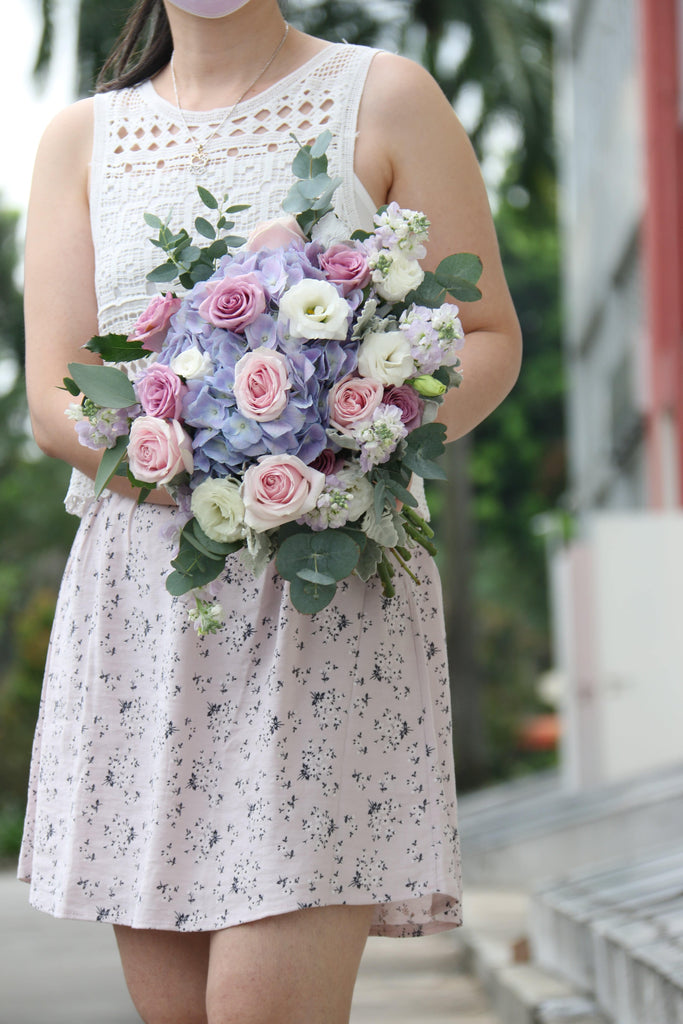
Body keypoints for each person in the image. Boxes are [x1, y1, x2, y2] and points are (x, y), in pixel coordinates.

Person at [19, 0, 522, 1021]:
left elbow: (484, 334)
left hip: (325, 602)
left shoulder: (385, 97)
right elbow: (55, 396)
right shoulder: (81, 136)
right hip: (149, 612)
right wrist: (189, 463)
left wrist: (344, 434)